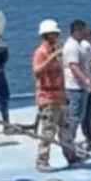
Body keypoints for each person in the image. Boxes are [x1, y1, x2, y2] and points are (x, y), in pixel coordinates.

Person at [33, 19, 78, 172]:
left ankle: (71, 156)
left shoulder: (55, 51)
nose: (57, 36)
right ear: (47, 35)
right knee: (48, 131)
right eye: (54, 34)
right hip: (48, 98)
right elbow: (37, 72)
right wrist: (51, 58)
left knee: (66, 128)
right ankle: (42, 161)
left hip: (59, 96)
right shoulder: (40, 53)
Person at [62, 20, 91, 149]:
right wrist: (87, 80)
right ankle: (69, 144)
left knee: (83, 115)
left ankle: (84, 140)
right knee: (75, 117)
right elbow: (73, 66)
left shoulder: (78, 45)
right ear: (77, 31)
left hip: (81, 87)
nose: (86, 33)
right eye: (83, 30)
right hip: (75, 87)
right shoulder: (72, 46)